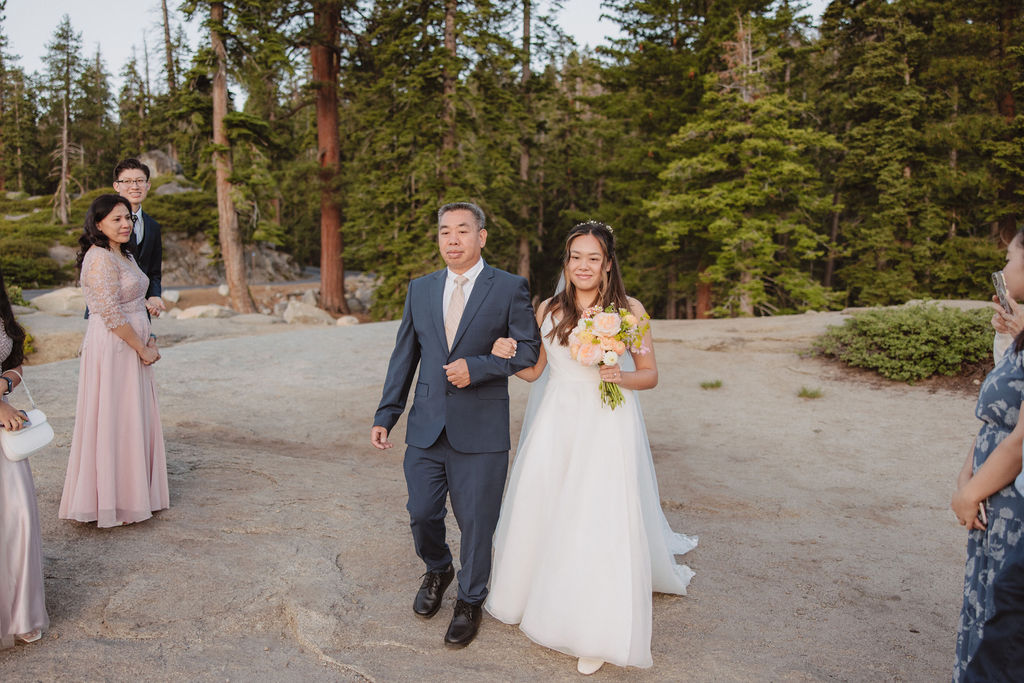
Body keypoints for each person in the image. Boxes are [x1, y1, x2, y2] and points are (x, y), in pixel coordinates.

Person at [484, 221, 697, 675]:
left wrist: (618, 374)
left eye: (593, 258)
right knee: (545, 505)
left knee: (596, 517)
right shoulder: (548, 308)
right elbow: (534, 371)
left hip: (605, 421)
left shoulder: (628, 310)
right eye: (575, 257)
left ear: (607, 264)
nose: (583, 266)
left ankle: (593, 627)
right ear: (566, 262)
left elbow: (650, 374)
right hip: (556, 423)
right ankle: (529, 595)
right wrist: (505, 355)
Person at [370, 202, 540, 648]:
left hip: (481, 428)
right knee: (422, 512)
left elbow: (528, 352)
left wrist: (480, 366)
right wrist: (387, 414)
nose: (452, 239)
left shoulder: (508, 287)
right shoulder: (420, 289)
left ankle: (470, 599)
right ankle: (438, 568)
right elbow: (404, 356)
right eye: (445, 231)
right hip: (426, 426)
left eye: (462, 230)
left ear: (481, 236)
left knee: (478, 522)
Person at [59, 194, 169, 528]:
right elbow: (107, 311)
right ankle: (111, 498)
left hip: (134, 342)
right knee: (114, 415)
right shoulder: (99, 258)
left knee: (130, 416)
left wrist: (149, 329)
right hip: (115, 346)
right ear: (97, 224)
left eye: (127, 218)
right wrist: (141, 347)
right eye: (115, 219)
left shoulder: (124, 253)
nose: (124, 224)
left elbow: (133, 298)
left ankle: (135, 493)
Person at [951, 226, 1024, 680]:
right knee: (987, 609)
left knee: (1005, 623)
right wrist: (966, 481)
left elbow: (1019, 437)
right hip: (991, 496)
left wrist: (971, 488)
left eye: (1011, 258)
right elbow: (998, 408)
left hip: (1012, 503)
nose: (1004, 268)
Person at [0, 265, 49, 648]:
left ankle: (20, 611)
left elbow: (16, 366)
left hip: (7, 427)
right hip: (3, 416)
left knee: (20, 518)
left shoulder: (2, 312)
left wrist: (4, 383)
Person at [113, 158, 164, 318]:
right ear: (116, 186)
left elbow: (154, 270)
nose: (134, 186)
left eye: (140, 181)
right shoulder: (105, 220)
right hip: (113, 309)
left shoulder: (153, 226)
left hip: (143, 312)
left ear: (148, 185)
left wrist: (154, 295)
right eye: (127, 181)